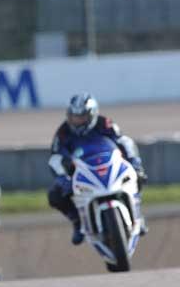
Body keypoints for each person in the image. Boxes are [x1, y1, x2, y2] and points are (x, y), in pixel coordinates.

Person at [47, 93, 148, 245]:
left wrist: (135, 164)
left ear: (92, 115)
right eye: (74, 117)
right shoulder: (63, 132)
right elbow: (55, 158)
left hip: (109, 166)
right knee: (55, 195)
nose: (77, 121)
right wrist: (63, 179)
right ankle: (78, 222)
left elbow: (124, 141)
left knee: (136, 178)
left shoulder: (105, 124)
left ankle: (137, 213)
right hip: (82, 173)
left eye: (81, 117)